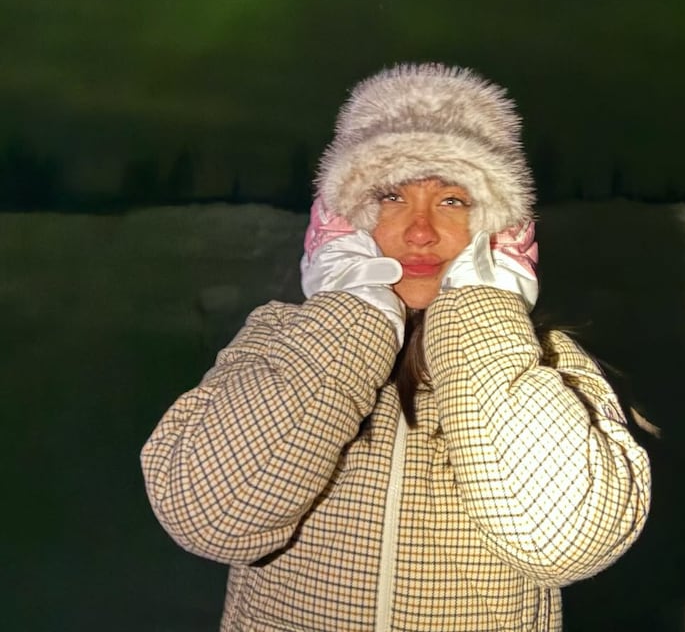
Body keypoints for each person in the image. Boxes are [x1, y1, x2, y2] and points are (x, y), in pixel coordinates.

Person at [141, 62, 651, 632]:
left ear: (501, 230)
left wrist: (481, 315)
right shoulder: (280, 342)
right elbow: (211, 519)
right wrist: (353, 315)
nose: (420, 232)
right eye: (390, 196)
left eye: (453, 200)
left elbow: (561, 541)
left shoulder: (548, 366)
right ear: (342, 223)